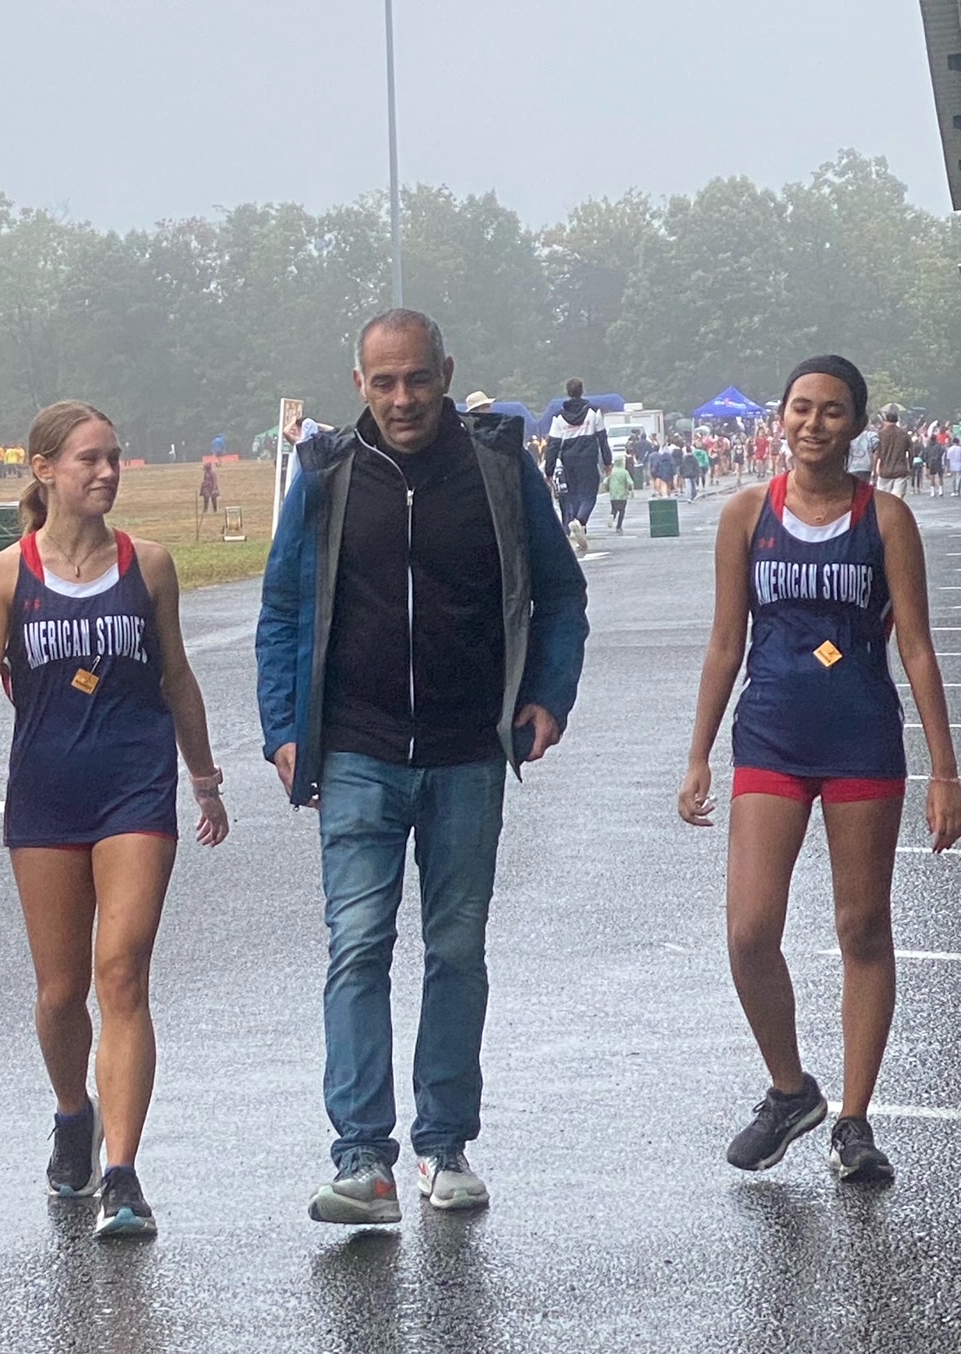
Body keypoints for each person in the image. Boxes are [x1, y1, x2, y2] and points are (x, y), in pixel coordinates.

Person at [256, 308, 589, 1224]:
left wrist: (549, 695)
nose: (402, 399)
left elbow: (559, 592)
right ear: (358, 384)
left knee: (455, 950)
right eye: (383, 382)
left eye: (417, 379)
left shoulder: (497, 469)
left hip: (466, 753)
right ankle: (362, 1159)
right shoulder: (324, 476)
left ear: (446, 371)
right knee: (357, 948)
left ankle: (445, 1147)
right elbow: (283, 607)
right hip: (356, 750)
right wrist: (283, 726)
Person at [678, 355, 961, 1183]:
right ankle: (789, 1088)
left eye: (832, 411)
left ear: (857, 425)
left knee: (861, 927)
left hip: (861, 741)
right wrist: (698, 754)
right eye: (801, 408)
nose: (813, 424)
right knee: (749, 929)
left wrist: (946, 771)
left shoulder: (886, 519)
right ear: (780, 418)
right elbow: (727, 641)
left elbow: (915, 644)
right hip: (770, 739)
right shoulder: (745, 515)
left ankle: (853, 1120)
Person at [0, 400, 229, 1239]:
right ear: (44, 470)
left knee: (122, 972)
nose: (107, 472)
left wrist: (205, 777)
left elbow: (177, 676)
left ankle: (122, 1171)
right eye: (89, 460)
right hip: (46, 795)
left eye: (113, 457)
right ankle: (72, 1114)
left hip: (134, 791)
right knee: (59, 991)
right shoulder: (6, 574)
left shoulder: (148, 565)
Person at [544, 378, 612, 551]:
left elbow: (553, 445)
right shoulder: (593, 412)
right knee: (589, 494)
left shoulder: (559, 416)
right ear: (582, 391)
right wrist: (607, 461)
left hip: (568, 460)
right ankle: (579, 522)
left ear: (568, 392)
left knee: (573, 494)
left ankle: (575, 526)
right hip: (588, 458)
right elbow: (602, 439)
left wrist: (549, 470)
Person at [872, 408, 913, 497]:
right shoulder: (904, 434)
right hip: (900, 471)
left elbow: (876, 454)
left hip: (884, 471)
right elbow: (911, 453)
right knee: (897, 500)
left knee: (883, 500)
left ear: (886, 421)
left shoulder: (880, 435)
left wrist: (874, 471)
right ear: (897, 420)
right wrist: (910, 467)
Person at [605, 455, 634, 534]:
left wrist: (608, 488)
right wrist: (631, 490)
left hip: (613, 494)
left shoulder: (611, 472)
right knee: (622, 511)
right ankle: (619, 526)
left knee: (614, 508)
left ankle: (612, 515)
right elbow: (630, 482)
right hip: (622, 495)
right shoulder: (624, 472)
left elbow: (605, 482)